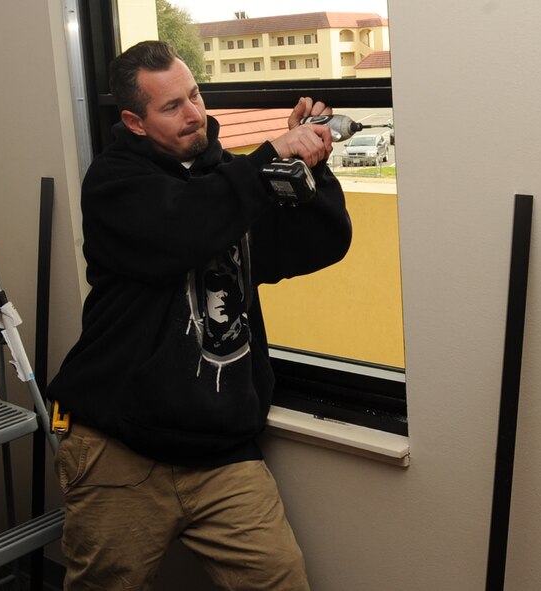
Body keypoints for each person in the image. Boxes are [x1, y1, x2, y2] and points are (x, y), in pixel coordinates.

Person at [47, 40, 351, 591]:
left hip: (222, 455)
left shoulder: (232, 180)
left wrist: (309, 169)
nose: (194, 114)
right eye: (172, 107)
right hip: (120, 449)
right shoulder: (114, 185)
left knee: (282, 581)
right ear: (135, 123)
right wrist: (265, 161)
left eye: (194, 95)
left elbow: (321, 244)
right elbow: (184, 227)